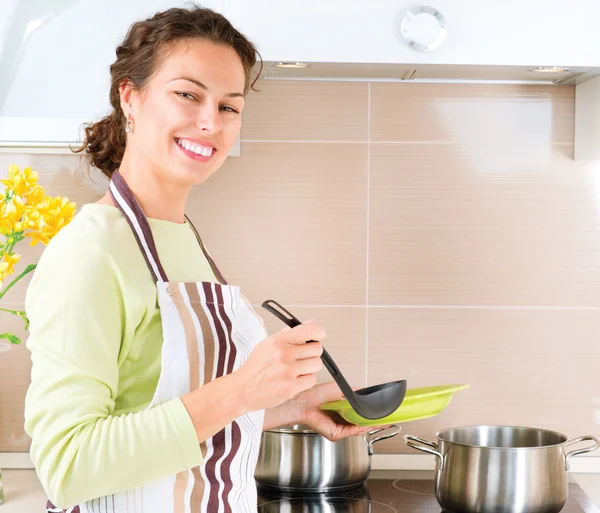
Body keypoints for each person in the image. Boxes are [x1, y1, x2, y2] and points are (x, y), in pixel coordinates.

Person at [23, 5, 376, 513]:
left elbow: (153, 406)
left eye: (229, 107)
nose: (210, 121)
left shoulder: (182, 236)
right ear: (131, 97)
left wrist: (287, 406)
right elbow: (68, 465)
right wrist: (240, 390)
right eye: (187, 94)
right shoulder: (91, 251)